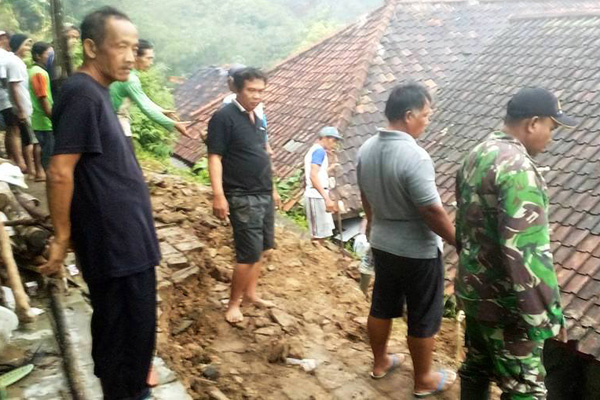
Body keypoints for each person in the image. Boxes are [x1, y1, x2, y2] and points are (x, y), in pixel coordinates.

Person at [41, 7, 160, 400]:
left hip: (127, 242)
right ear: (91, 47)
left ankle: (131, 388)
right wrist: (62, 236)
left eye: (133, 47)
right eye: (119, 46)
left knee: (133, 331)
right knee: (123, 335)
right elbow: (60, 170)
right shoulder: (81, 93)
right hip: (116, 244)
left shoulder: (97, 92)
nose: (130, 55)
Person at [455, 88, 571, 400]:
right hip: (508, 307)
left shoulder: (476, 155)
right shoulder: (519, 169)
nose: (551, 137)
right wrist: (547, 316)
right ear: (533, 123)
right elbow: (526, 253)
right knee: (526, 390)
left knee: (476, 367)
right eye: (552, 127)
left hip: (474, 292)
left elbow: (463, 229)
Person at [356, 82, 457, 397]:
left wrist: (372, 225)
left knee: (382, 304)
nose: (427, 121)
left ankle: (380, 362)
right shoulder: (415, 156)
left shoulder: (366, 148)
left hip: (383, 241)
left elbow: (365, 195)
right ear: (409, 115)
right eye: (425, 115)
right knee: (423, 314)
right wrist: (458, 239)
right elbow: (430, 209)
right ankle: (424, 379)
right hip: (417, 250)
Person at [207, 67, 281, 324]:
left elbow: (263, 154)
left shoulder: (257, 118)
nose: (257, 95)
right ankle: (233, 303)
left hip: (263, 192)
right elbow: (214, 157)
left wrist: (272, 189)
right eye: (251, 90)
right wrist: (219, 194)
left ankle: (251, 294)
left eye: (261, 91)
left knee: (262, 248)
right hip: (241, 194)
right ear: (236, 89)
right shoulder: (223, 118)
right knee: (247, 253)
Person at [110, 39, 188, 142]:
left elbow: (143, 98)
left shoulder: (121, 70)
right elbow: (145, 107)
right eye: (148, 58)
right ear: (136, 57)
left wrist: (161, 110)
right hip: (115, 126)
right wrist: (173, 124)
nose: (151, 63)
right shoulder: (130, 79)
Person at [6, 34, 44, 181]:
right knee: (30, 141)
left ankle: (32, 170)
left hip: (24, 106)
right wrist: (21, 110)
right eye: (26, 45)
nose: (28, 48)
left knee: (27, 140)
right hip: (22, 108)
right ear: (18, 45)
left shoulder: (18, 62)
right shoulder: (15, 63)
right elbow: (14, 87)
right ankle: (34, 172)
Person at [223, 64, 273, 155]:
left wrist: (266, 145)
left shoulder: (255, 102)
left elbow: (262, 124)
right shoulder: (228, 103)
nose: (256, 95)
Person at [303, 126, 341, 242]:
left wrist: (330, 168)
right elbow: (313, 176)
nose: (334, 144)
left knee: (323, 232)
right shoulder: (319, 151)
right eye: (333, 140)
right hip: (316, 195)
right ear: (325, 138)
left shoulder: (316, 150)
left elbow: (318, 173)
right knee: (318, 235)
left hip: (318, 195)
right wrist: (327, 199)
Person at [29, 42, 54, 172]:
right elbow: (42, 97)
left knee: (42, 149)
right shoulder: (39, 73)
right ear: (38, 56)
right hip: (44, 121)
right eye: (48, 53)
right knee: (48, 156)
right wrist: (52, 117)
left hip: (40, 119)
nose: (51, 56)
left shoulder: (34, 71)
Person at [0, 30, 18, 163]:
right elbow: (4, 78)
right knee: (13, 129)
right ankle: (15, 158)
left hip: (6, 98)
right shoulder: (3, 56)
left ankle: (10, 156)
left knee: (9, 129)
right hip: (6, 98)